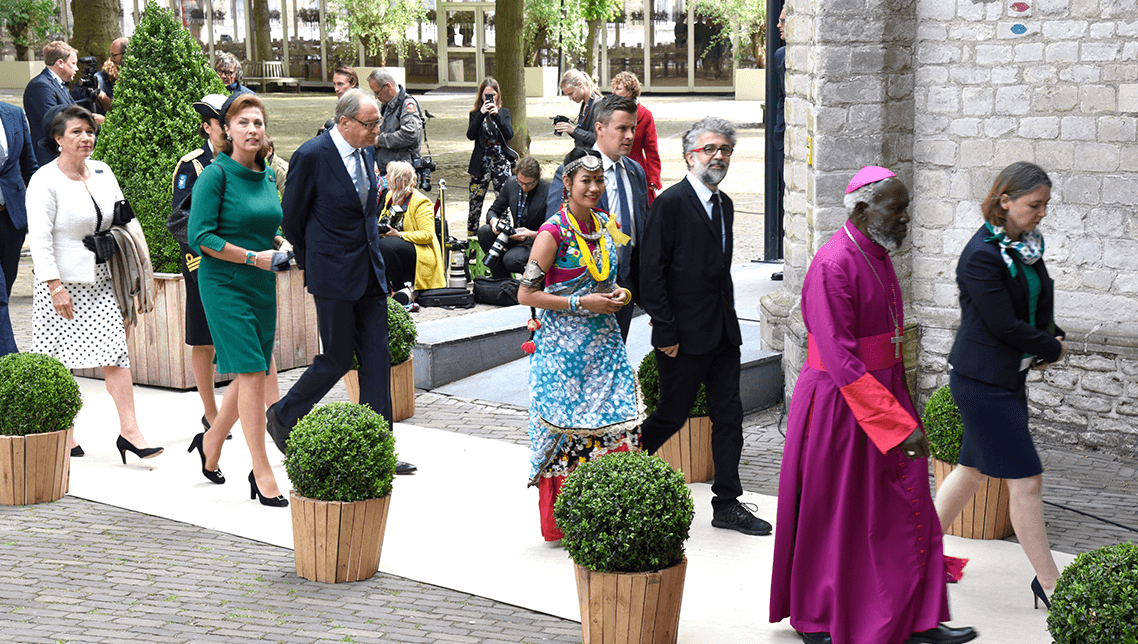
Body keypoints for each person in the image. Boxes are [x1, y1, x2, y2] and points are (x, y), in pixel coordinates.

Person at [769, 166, 978, 644]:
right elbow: (841, 360)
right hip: (839, 409)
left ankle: (918, 617)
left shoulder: (877, 253)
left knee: (900, 509)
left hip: (881, 398)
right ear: (863, 210)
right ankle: (818, 616)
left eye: (906, 208)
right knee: (835, 516)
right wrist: (896, 425)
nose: (906, 218)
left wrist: (900, 411)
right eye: (897, 208)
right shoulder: (833, 264)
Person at [934, 162, 1066, 611]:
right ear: (1005, 200)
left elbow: (1034, 301)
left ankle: (917, 555)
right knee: (1026, 482)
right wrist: (1051, 347)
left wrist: (1050, 334)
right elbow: (1002, 324)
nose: (1042, 212)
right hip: (981, 381)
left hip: (1006, 377)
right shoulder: (982, 255)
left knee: (971, 471)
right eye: (1035, 204)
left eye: (1046, 204)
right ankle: (1050, 584)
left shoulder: (1025, 246)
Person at [266, 89, 416, 476]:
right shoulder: (311, 155)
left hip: (370, 273)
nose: (377, 130)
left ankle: (377, 450)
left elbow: (366, 213)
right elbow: (293, 218)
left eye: (378, 122)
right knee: (336, 358)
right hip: (332, 275)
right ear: (344, 122)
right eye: (370, 124)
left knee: (377, 360)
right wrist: (316, 262)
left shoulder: (366, 152)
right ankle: (283, 415)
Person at [637, 116, 770, 537]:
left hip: (723, 333)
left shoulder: (724, 204)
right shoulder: (671, 204)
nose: (718, 157)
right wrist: (665, 329)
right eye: (709, 149)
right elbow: (650, 274)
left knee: (729, 416)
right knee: (671, 415)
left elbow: (717, 272)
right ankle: (623, 474)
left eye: (725, 150)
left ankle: (727, 503)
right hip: (682, 337)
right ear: (689, 156)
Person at [26, 105, 163, 461]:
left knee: (116, 352)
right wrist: (55, 287)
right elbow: (39, 240)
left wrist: (114, 238)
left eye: (89, 131)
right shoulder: (44, 180)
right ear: (58, 139)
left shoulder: (102, 171)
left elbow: (122, 214)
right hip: (63, 285)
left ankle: (130, 433)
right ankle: (62, 432)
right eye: (76, 132)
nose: (86, 138)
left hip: (102, 279)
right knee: (56, 361)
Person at [518, 147, 640, 542]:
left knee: (613, 424)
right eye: (586, 180)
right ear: (567, 184)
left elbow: (615, 276)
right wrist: (579, 302)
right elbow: (525, 294)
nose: (594, 188)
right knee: (568, 431)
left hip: (604, 346)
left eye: (599, 180)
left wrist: (621, 294)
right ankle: (569, 520)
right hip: (563, 354)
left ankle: (611, 513)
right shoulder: (551, 233)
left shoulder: (608, 223)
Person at [188, 93, 286, 507]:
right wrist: (251, 257)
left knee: (254, 371)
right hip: (224, 284)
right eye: (243, 122)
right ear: (227, 130)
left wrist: (280, 243)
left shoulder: (267, 175)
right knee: (250, 372)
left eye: (258, 123)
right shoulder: (215, 175)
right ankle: (260, 471)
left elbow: (266, 226)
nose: (252, 129)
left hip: (262, 284)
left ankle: (211, 441)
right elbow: (200, 236)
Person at [546, 95, 648, 341]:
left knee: (616, 351)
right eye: (622, 128)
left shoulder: (635, 171)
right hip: (584, 290)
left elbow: (643, 228)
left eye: (633, 128)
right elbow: (556, 230)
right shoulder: (572, 171)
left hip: (626, 283)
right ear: (599, 128)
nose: (630, 136)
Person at [25, 41, 105, 166]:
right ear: (60, 63)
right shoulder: (41, 86)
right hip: (51, 158)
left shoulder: (56, 84)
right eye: (73, 63)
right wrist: (93, 121)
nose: (77, 68)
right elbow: (53, 122)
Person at [0, 101, 38, 356]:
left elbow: (29, 167)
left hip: (11, 218)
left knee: (6, 285)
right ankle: (8, 358)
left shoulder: (13, 114)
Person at [377, 160, 446, 296]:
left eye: (388, 175)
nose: (385, 178)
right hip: (398, 246)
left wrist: (399, 235)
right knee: (374, 242)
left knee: (386, 244)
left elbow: (427, 235)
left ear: (397, 180)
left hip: (421, 251)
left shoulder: (421, 202)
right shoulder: (390, 196)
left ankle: (398, 290)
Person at [476, 156, 549, 279]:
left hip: (536, 240)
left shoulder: (548, 190)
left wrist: (531, 234)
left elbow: (555, 229)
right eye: (521, 182)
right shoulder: (511, 183)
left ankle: (536, 282)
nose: (524, 187)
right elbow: (493, 210)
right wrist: (494, 221)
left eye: (529, 184)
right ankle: (501, 280)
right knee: (484, 231)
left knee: (511, 259)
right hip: (516, 235)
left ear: (538, 177)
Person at [465, 76, 515, 235]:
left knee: (503, 204)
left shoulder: (504, 112)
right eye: (486, 94)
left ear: (498, 95)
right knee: (475, 204)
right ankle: (472, 240)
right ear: (481, 95)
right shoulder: (475, 114)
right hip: (481, 163)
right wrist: (481, 114)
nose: (490, 98)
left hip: (500, 162)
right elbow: (470, 135)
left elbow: (509, 134)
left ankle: (504, 238)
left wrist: (496, 116)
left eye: (493, 94)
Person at [611, 72, 661, 205]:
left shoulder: (645, 115)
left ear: (629, 92)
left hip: (636, 170)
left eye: (618, 89)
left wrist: (654, 176)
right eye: (613, 88)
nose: (613, 92)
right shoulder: (608, 112)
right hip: (611, 168)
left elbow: (651, 149)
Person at [368, 68, 423, 176]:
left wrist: (379, 140)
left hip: (401, 173)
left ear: (387, 86)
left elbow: (410, 135)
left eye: (377, 93)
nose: (376, 97)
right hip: (387, 171)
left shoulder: (407, 104)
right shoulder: (386, 105)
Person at [553, 70, 602, 149]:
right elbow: (582, 138)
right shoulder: (585, 104)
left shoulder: (599, 105)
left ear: (580, 84)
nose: (570, 98)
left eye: (571, 93)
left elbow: (599, 139)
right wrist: (566, 127)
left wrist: (574, 130)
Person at [94, 37, 129, 114]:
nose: (111, 59)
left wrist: (103, 97)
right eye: (111, 55)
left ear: (126, 54)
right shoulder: (100, 78)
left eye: (114, 55)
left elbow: (122, 112)